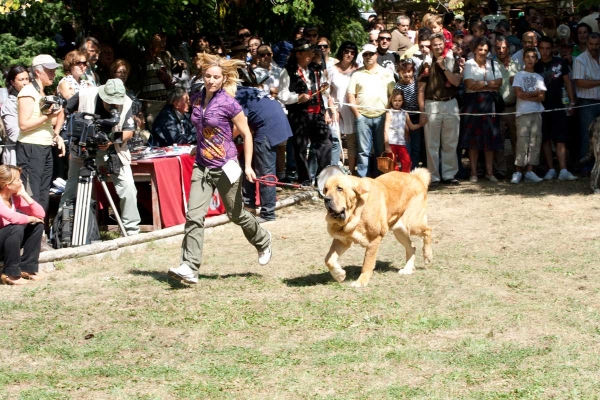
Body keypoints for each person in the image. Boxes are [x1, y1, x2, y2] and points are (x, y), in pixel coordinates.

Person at [168, 53, 272, 285]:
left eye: (216, 77)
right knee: (194, 216)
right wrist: (199, 146)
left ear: (223, 79)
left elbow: (246, 134)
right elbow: (203, 127)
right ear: (203, 77)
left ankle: (263, 240)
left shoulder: (229, 103)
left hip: (226, 166)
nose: (211, 81)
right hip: (202, 167)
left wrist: (247, 166)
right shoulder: (195, 99)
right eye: (208, 76)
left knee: (235, 214)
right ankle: (190, 267)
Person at [60, 79, 141, 235]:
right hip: (82, 150)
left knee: (128, 187)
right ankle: (63, 230)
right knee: (71, 189)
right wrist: (66, 132)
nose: (113, 105)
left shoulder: (127, 102)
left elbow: (129, 131)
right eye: (109, 102)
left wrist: (110, 140)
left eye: (116, 103)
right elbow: (63, 111)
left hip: (114, 150)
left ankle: (131, 231)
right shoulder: (85, 95)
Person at [278, 39, 332, 184]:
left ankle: (322, 179)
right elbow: (282, 95)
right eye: (307, 53)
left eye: (311, 52)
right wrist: (297, 97)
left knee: (325, 144)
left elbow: (325, 93)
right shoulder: (287, 71)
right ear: (298, 54)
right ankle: (305, 179)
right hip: (299, 115)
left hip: (317, 113)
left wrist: (326, 89)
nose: (310, 55)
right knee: (300, 148)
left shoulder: (316, 69)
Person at [235, 85, 293, 221]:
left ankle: (268, 213)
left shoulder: (238, 96)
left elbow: (240, 124)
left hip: (268, 127)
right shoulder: (247, 90)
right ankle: (248, 205)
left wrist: (223, 140)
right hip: (276, 122)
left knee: (265, 170)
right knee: (247, 162)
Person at [17, 55, 66, 212]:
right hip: (30, 147)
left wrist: (56, 134)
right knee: (32, 194)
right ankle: (30, 233)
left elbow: (58, 115)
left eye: (53, 70)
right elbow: (24, 125)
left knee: (44, 193)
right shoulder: (28, 92)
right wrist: (48, 116)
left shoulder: (43, 93)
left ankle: (40, 232)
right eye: (49, 70)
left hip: (44, 147)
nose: (53, 73)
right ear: (38, 72)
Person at [418, 33, 462, 185]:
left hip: (451, 103)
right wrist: (422, 111)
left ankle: (449, 175)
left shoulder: (451, 60)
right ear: (431, 46)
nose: (437, 47)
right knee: (432, 144)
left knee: (450, 142)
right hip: (432, 104)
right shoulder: (426, 63)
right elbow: (421, 89)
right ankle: (434, 177)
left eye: (440, 44)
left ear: (444, 44)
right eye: (434, 44)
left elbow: (456, 82)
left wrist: (443, 67)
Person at [347, 43, 395, 177]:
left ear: (376, 55)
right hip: (363, 117)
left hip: (381, 116)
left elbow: (392, 94)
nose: (368, 57)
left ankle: (381, 177)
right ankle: (363, 177)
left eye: (371, 54)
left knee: (381, 150)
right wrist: (358, 115)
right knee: (363, 151)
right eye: (365, 54)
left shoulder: (386, 73)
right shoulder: (357, 74)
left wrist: (387, 112)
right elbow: (351, 95)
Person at [535, 36, 578, 181]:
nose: (545, 52)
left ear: (552, 48)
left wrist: (572, 102)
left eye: (548, 48)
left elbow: (568, 83)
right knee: (545, 139)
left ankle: (563, 169)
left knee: (560, 139)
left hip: (559, 106)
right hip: (541, 107)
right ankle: (551, 169)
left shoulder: (560, 62)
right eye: (542, 48)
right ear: (538, 48)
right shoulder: (535, 65)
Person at [462, 37, 504, 183]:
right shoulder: (469, 64)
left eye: (485, 50)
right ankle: (473, 172)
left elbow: (499, 83)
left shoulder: (493, 63)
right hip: (473, 104)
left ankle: (489, 172)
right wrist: (488, 84)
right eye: (480, 49)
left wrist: (482, 83)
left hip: (490, 104)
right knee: (473, 140)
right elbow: (469, 84)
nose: (482, 52)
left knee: (490, 139)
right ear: (474, 49)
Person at [0, 165, 45, 285]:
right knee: (17, 225)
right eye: (18, 180)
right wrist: (30, 218)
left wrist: (25, 194)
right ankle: (10, 274)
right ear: (8, 185)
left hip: (6, 242)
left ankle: (27, 268)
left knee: (37, 226)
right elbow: (13, 217)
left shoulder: (14, 198)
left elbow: (41, 214)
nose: (21, 182)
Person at [511, 48, 547, 184]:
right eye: (528, 57)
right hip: (523, 113)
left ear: (536, 60)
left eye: (533, 57)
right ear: (524, 59)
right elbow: (519, 94)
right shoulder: (519, 75)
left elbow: (542, 97)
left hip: (536, 112)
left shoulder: (539, 77)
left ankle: (530, 171)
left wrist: (529, 95)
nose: (530, 59)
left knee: (535, 142)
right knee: (522, 142)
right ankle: (518, 171)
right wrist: (534, 94)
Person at [327, 41, 359, 174]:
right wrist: (332, 110)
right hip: (335, 109)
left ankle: (351, 170)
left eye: (352, 52)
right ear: (341, 52)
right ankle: (333, 170)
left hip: (351, 110)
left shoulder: (358, 70)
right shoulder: (332, 70)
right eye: (346, 51)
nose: (349, 55)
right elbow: (327, 92)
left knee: (352, 143)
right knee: (335, 141)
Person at [572, 32, 600, 175]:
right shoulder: (580, 60)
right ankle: (585, 169)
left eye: (596, 44)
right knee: (586, 136)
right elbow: (580, 82)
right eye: (591, 44)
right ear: (587, 43)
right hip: (587, 104)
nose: (594, 47)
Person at [395, 59, 425, 169]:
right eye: (404, 72)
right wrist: (405, 125)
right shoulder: (398, 86)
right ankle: (407, 167)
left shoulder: (417, 83)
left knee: (417, 145)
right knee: (407, 144)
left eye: (409, 71)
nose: (407, 74)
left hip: (417, 115)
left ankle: (415, 167)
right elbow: (399, 106)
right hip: (404, 117)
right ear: (399, 73)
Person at [384, 89, 424, 172]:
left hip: (401, 143)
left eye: (399, 100)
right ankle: (394, 181)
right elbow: (385, 130)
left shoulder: (404, 113)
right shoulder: (389, 112)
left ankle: (404, 178)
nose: (397, 103)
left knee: (407, 161)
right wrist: (386, 144)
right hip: (391, 143)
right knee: (393, 165)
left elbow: (411, 127)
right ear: (391, 100)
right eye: (395, 100)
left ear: (403, 101)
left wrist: (421, 124)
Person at [1, 65, 29, 166]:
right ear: (13, 82)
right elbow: (14, 134)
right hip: (16, 154)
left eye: (27, 79)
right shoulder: (10, 104)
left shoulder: (31, 100)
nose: (25, 82)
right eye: (21, 80)